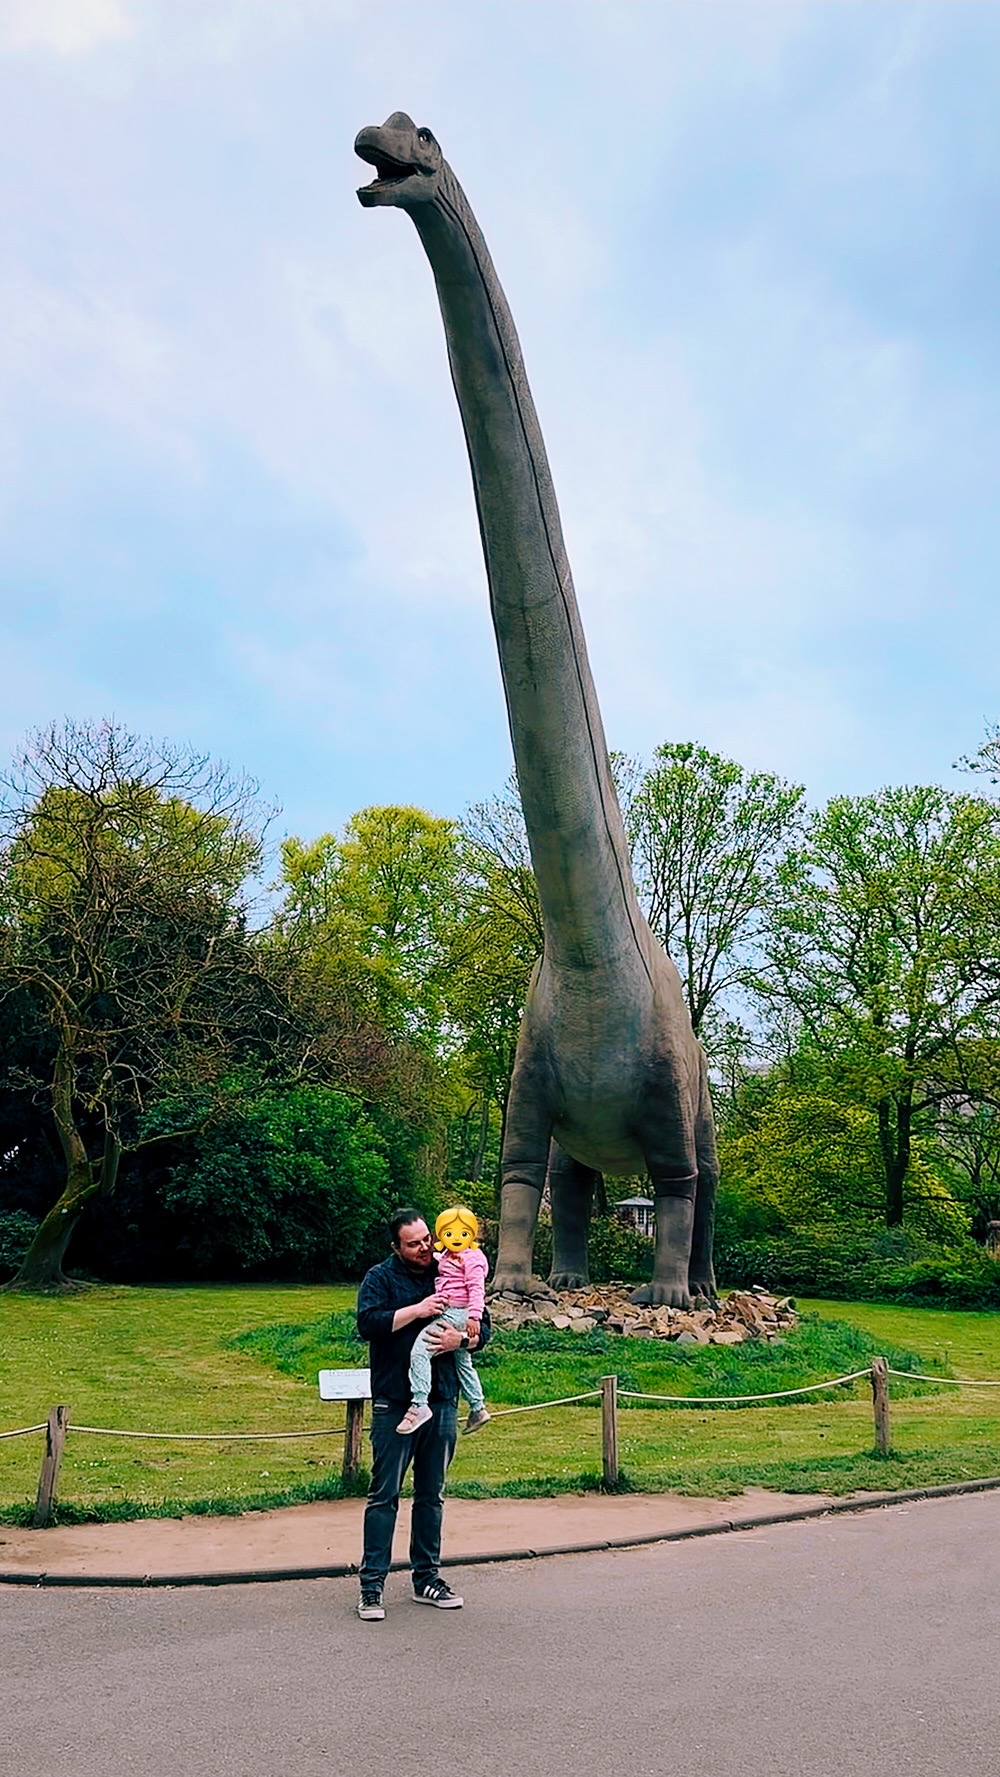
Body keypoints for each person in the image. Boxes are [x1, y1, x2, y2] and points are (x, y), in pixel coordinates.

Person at [354, 1207, 492, 1621]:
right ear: (396, 1246)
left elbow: (482, 1327)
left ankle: (427, 1579)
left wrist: (460, 1341)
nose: (425, 1248)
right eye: (413, 1243)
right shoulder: (380, 1278)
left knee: (431, 1496)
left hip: (443, 1398)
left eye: (427, 1238)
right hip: (394, 1402)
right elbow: (369, 1324)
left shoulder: (452, 1264)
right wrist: (418, 1309)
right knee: (385, 1496)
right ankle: (372, 1586)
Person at [396, 1205, 491, 1438]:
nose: (456, 1239)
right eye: (449, 1234)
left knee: (420, 1352)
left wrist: (474, 1317)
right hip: (458, 1313)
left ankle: (419, 1404)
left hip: (456, 1313)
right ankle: (478, 1408)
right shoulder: (448, 1256)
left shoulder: (472, 1260)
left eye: (462, 1233)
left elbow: (477, 1289)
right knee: (463, 1362)